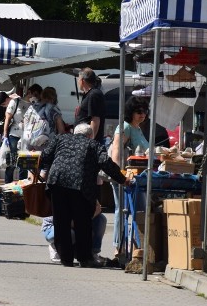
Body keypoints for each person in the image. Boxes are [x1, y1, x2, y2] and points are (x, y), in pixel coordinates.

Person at [38, 123, 128, 268]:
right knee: (83, 223)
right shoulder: (93, 144)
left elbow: (45, 155)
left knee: (61, 222)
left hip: (57, 182)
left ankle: (66, 259)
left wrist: (46, 170)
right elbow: (105, 162)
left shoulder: (61, 139)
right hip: (81, 186)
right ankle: (84, 258)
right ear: (89, 135)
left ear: (74, 133)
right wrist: (122, 179)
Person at [108, 96, 150, 256]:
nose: (142, 114)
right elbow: (117, 152)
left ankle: (136, 249)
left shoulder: (137, 128)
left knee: (138, 210)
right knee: (122, 210)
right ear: (130, 112)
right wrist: (119, 175)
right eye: (138, 111)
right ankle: (118, 248)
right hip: (124, 177)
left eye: (144, 111)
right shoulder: (125, 126)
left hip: (136, 178)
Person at [41, 200, 107, 265]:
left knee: (101, 219)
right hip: (54, 228)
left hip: (77, 225)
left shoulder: (84, 191)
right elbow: (68, 222)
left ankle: (92, 252)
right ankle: (56, 247)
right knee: (70, 233)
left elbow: (97, 207)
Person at [0, 90, 30, 182]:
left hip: (26, 137)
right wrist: (5, 135)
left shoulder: (31, 103)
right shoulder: (14, 102)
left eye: (4, 104)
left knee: (24, 163)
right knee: (12, 162)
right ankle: (8, 186)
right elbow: (7, 119)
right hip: (14, 135)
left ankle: (22, 186)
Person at [76, 68, 105, 139]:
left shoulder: (94, 94)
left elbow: (95, 119)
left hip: (88, 141)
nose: (78, 82)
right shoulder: (89, 94)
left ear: (82, 80)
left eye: (78, 79)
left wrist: (90, 141)